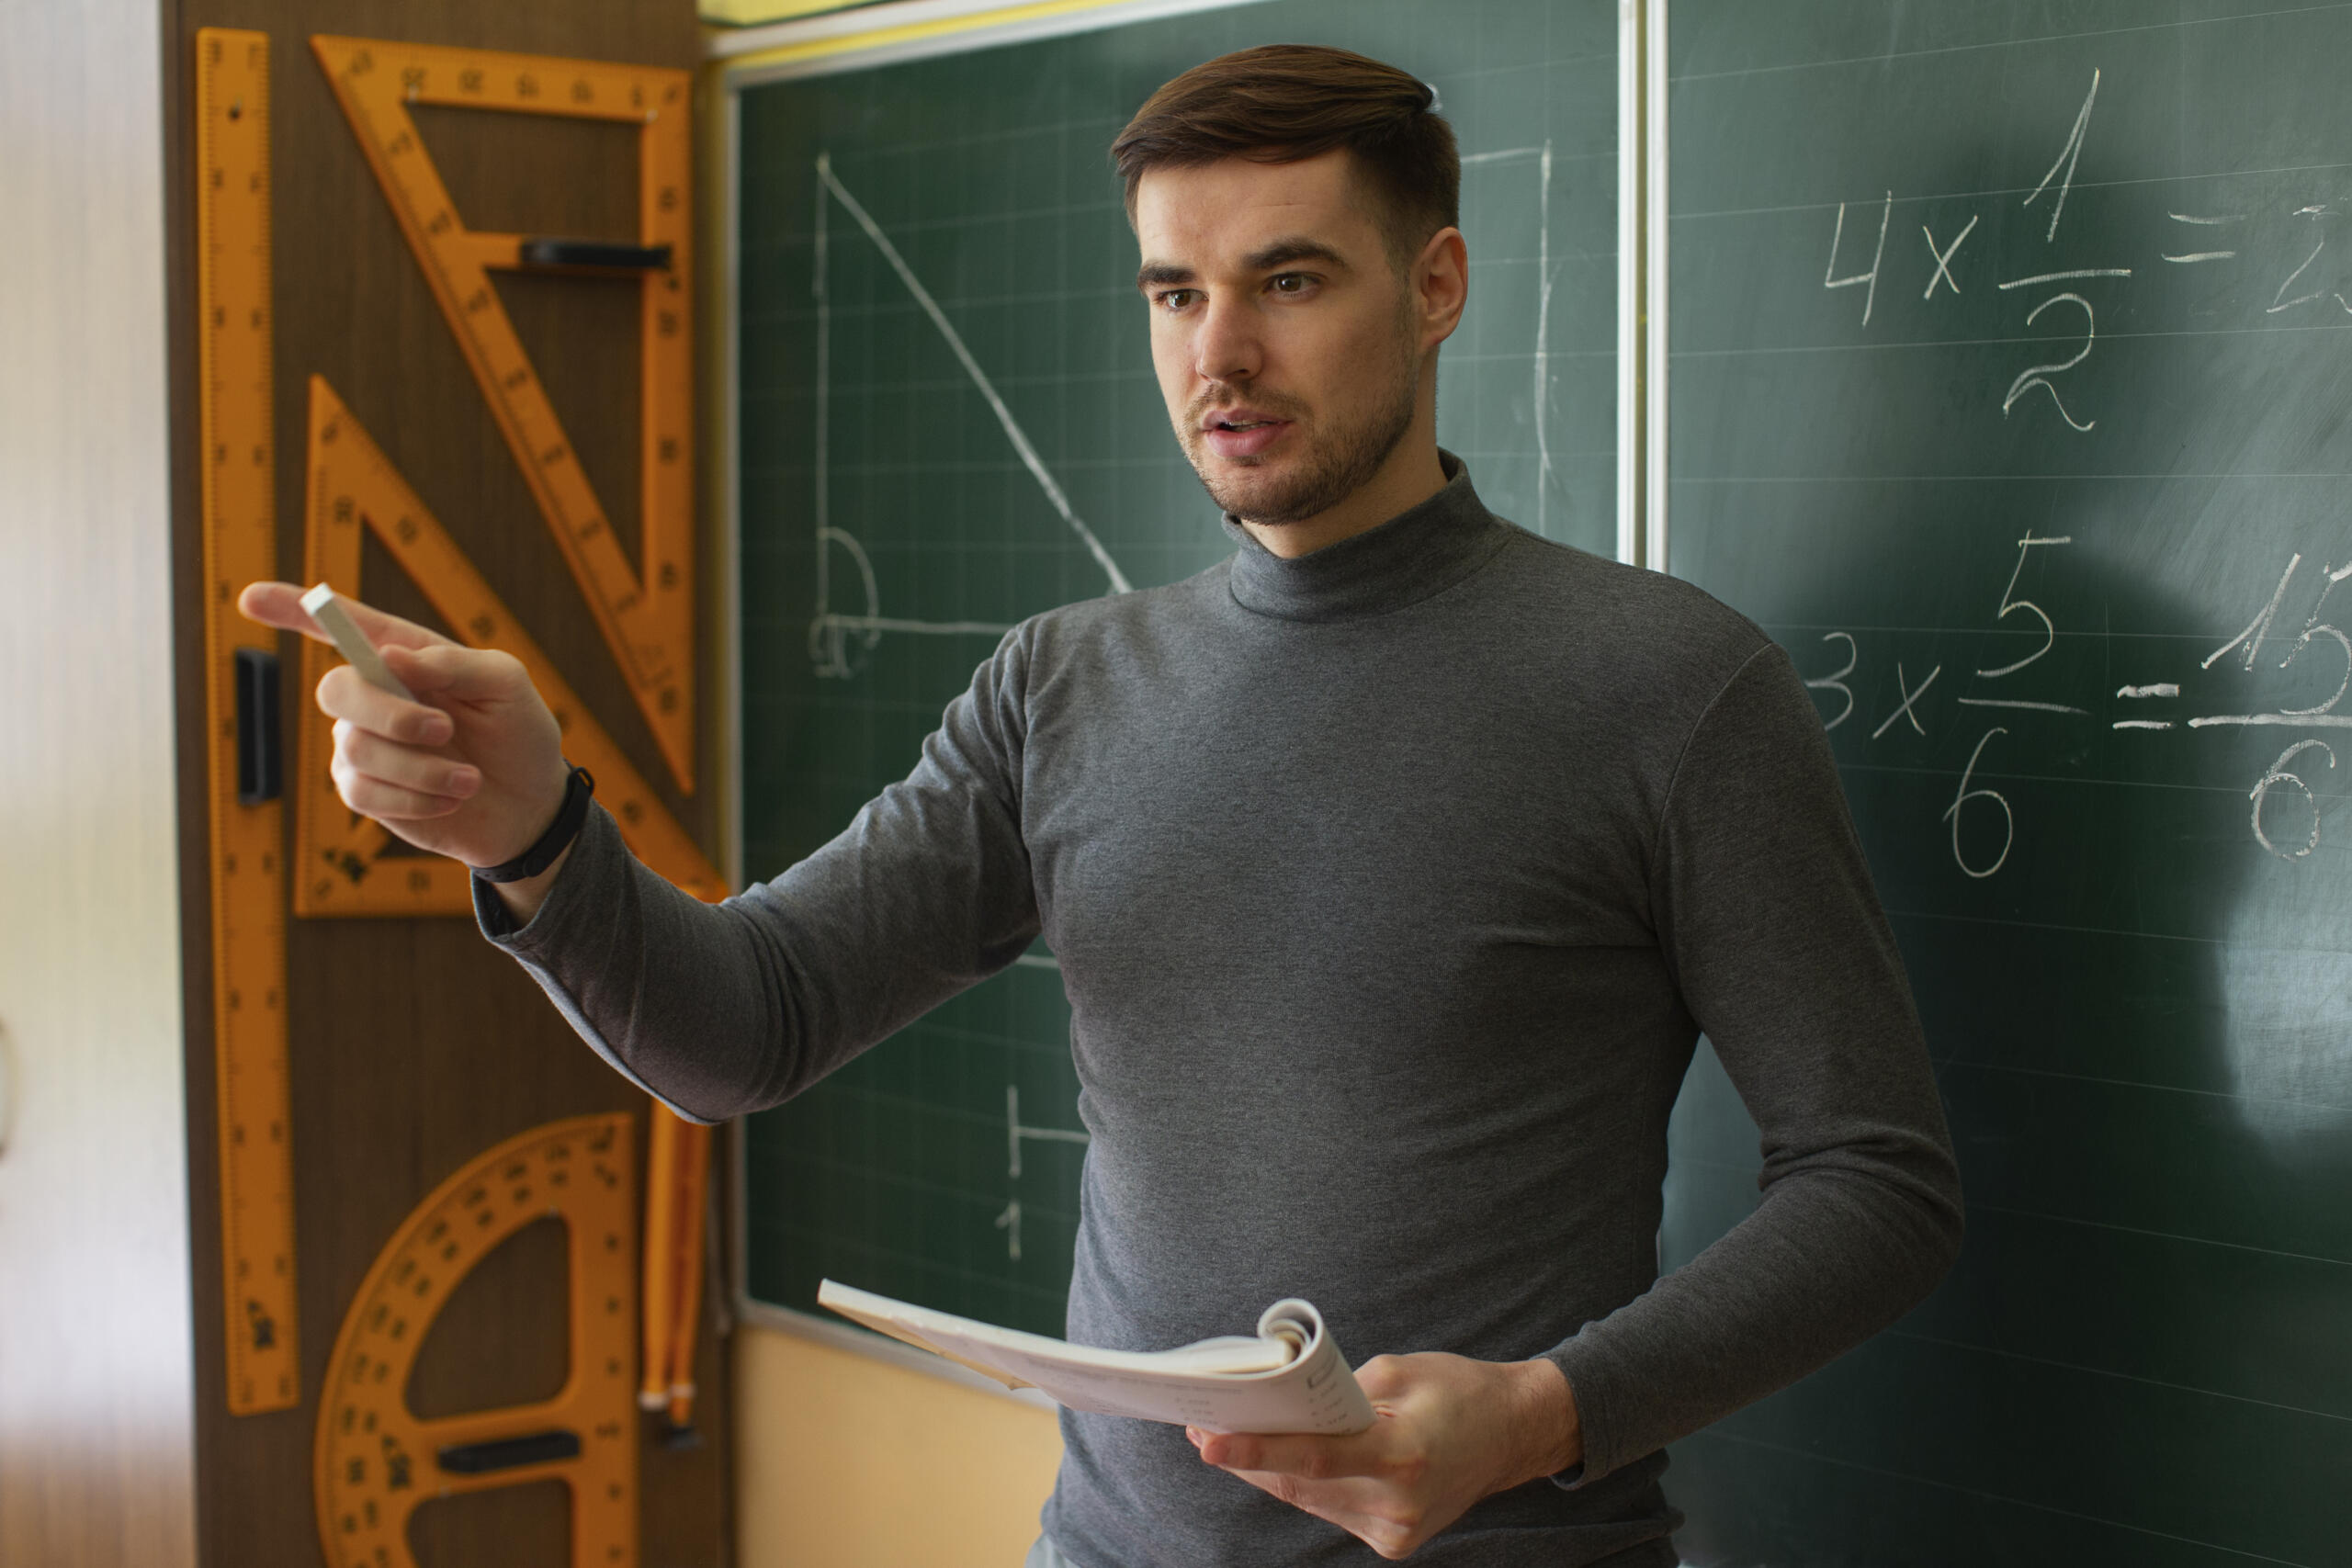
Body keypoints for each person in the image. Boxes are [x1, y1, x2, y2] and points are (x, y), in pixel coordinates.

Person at [243, 44, 1962, 1568]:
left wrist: (1538, 1414)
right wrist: (537, 837)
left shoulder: (1667, 686)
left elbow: (1876, 1184)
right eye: (1172, 293)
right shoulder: (1058, 688)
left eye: (1288, 280)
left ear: (1434, 284)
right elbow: (739, 1031)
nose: (1222, 354)